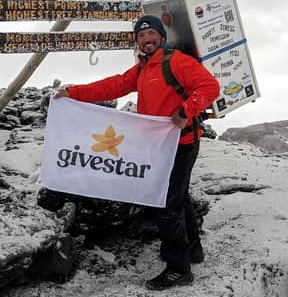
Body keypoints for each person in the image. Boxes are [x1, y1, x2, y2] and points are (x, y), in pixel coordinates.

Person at [52, 15, 220, 290]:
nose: (146, 39)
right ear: (137, 42)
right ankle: (192, 250)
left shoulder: (176, 62)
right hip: (158, 146)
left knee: (167, 203)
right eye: (141, 36)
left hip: (182, 143)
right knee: (178, 198)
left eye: (152, 33)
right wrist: (73, 92)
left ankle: (179, 268)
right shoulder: (143, 69)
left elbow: (210, 87)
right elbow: (112, 85)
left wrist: (185, 112)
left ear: (162, 38)